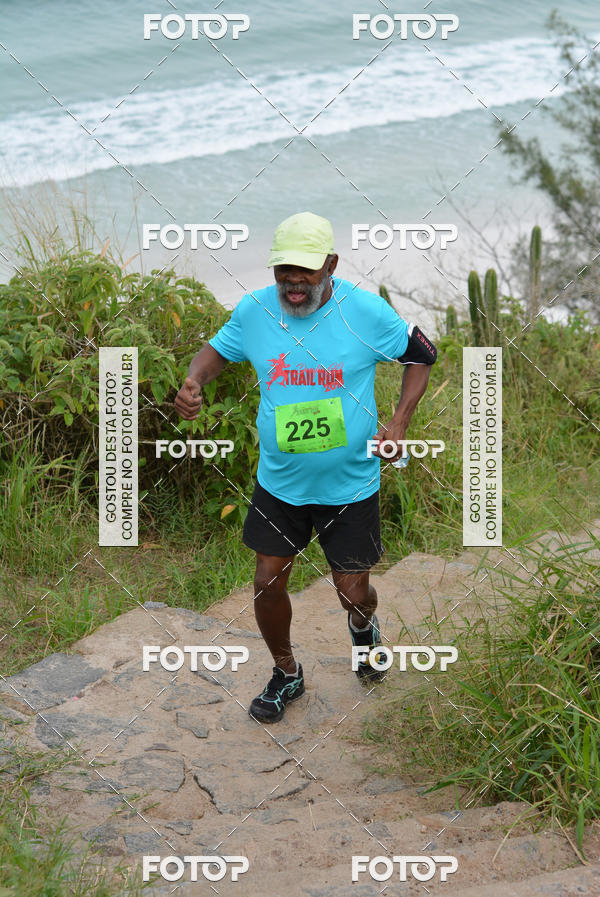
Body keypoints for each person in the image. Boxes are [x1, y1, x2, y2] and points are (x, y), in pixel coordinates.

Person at [174, 212, 437, 723]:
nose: (293, 281)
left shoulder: (365, 311)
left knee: (351, 590)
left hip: (350, 482)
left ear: (331, 265)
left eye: (305, 271)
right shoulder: (254, 312)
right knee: (267, 580)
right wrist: (193, 381)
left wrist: (400, 422)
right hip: (281, 481)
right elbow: (215, 352)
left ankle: (364, 628)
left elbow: (422, 354)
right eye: (283, 271)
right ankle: (286, 672)